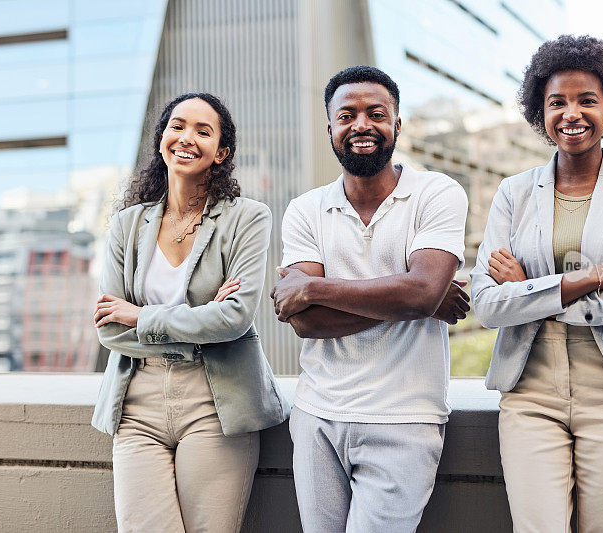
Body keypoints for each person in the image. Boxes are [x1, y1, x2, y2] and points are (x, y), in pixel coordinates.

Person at [470, 35, 603, 532]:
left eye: (588, 100)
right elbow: (486, 303)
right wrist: (586, 279)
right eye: (557, 102)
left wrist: (533, 292)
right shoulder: (514, 193)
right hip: (530, 394)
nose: (571, 113)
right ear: (540, 110)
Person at [270, 65, 469, 533]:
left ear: (396, 125)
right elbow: (307, 323)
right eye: (347, 115)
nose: (361, 124)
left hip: (405, 418)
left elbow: (420, 292)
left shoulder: (437, 193)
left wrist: (315, 287)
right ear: (331, 129)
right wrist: (408, 298)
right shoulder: (305, 209)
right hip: (317, 413)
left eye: (376, 113)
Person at [91, 92, 289, 532]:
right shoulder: (127, 223)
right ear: (162, 138)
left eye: (204, 131)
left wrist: (140, 316)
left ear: (222, 153)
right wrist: (199, 317)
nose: (186, 138)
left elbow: (234, 318)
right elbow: (109, 329)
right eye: (177, 126)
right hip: (136, 402)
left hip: (215, 400)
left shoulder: (248, 218)